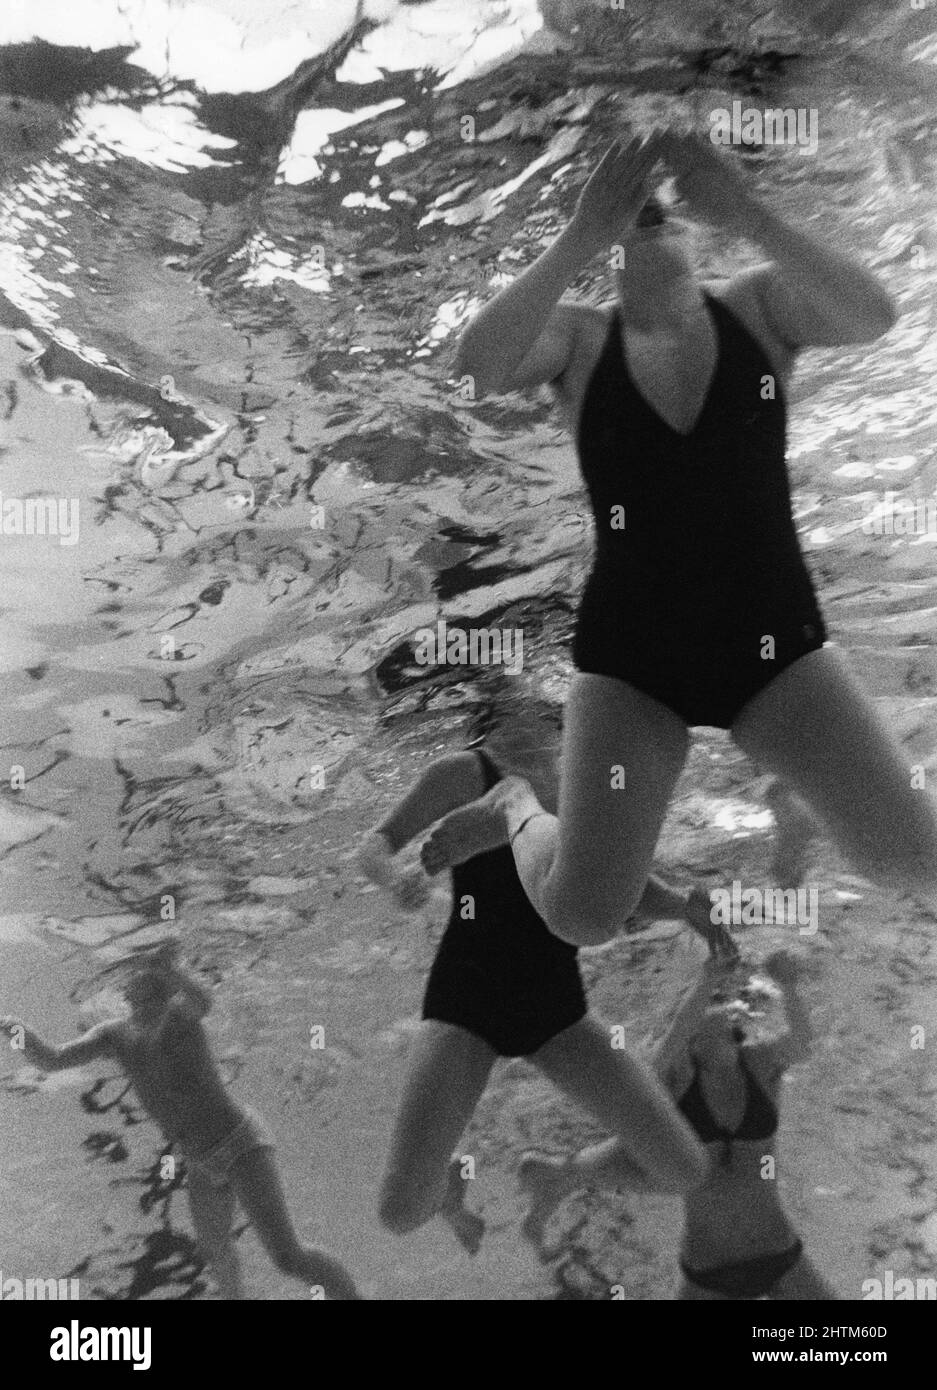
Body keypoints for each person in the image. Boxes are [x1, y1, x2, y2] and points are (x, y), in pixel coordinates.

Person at [425, 130, 937, 945]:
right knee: (582, 916)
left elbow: (873, 315)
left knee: (916, 861)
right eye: (629, 214)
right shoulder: (579, 340)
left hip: (776, 654)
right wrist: (577, 235)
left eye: (662, 207)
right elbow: (472, 369)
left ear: (698, 231)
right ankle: (516, 806)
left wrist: (746, 208)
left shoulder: (759, 308)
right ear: (607, 248)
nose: (648, 212)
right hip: (634, 666)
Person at [358, 704, 726, 1252]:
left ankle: (561, 1174)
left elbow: (614, 883)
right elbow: (373, 847)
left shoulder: (582, 778)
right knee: (398, 1210)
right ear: (499, 710)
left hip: (555, 1008)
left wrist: (684, 909)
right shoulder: (463, 772)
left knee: (681, 1169)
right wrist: (393, 882)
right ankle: (445, 1194)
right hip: (467, 998)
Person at [0, 942, 360, 1300]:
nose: (128, 977)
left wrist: (170, 971)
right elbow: (52, 1060)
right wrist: (14, 1028)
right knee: (215, 1252)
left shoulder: (179, 1015)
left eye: (140, 970)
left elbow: (204, 1002)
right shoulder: (113, 1034)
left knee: (287, 1257)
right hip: (200, 1161)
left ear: (160, 982)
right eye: (131, 972)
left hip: (240, 1143)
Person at [520, 946, 837, 1300]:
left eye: (728, 996)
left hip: (778, 1251)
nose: (728, 1001)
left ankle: (559, 1175)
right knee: (637, 1140)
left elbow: (803, 1044)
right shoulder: (677, 1078)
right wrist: (707, 978)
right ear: (691, 1025)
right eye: (714, 998)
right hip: (709, 1270)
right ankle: (561, 1175)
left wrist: (788, 986)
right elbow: (657, 1063)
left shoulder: (760, 1064)